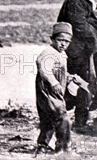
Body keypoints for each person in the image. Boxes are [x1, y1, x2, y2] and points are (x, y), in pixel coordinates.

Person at [56, 0, 97, 128]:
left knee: (79, 84)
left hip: (78, 49)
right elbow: (79, 24)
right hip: (75, 51)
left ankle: (73, 117)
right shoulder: (75, 0)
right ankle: (76, 120)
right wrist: (94, 35)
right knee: (79, 83)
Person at [35, 22, 74, 153]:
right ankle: (63, 147)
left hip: (51, 90)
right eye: (60, 40)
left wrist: (68, 77)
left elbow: (59, 71)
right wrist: (54, 82)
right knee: (62, 118)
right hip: (49, 91)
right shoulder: (49, 53)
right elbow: (45, 70)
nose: (63, 44)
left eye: (67, 42)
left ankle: (42, 146)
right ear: (52, 40)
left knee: (48, 120)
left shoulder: (61, 54)